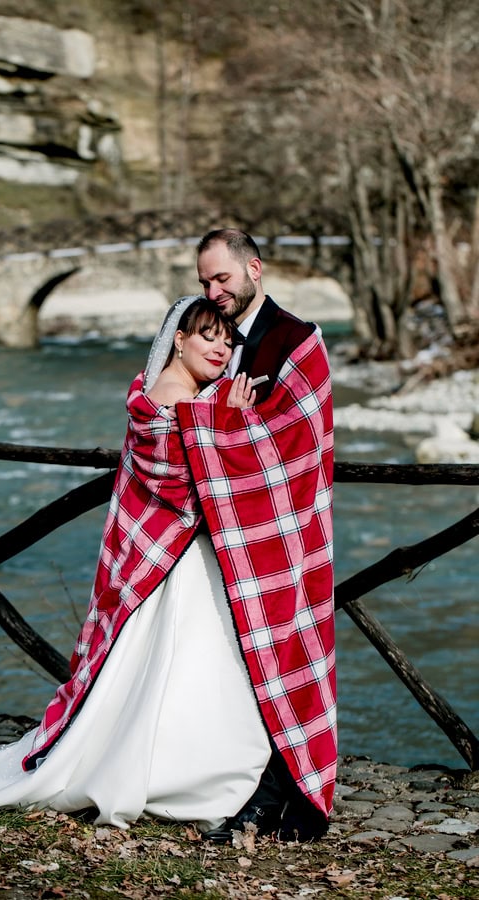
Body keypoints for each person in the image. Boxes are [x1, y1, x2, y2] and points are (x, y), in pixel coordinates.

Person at [0, 296, 273, 834]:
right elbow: (192, 485)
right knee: (184, 666)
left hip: (177, 557)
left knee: (179, 671)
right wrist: (232, 419)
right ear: (178, 340)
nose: (220, 348)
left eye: (228, 341)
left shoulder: (179, 396)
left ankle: (186, 767)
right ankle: (178, 774)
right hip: (176, 562)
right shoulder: (180, 400)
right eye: (207, 335)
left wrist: (220, 414)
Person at [180, 228, 337, 843]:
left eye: (223, 278)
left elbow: (298, 441)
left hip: (286, 533)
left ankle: (288, 795)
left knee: (281, 659)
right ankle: (236, 787)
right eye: (204, 282)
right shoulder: (206, 337)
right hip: (215, 537)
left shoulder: (298, 342)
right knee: (231, 665)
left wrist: (230, 427)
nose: (214, 291)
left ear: (255, 268)